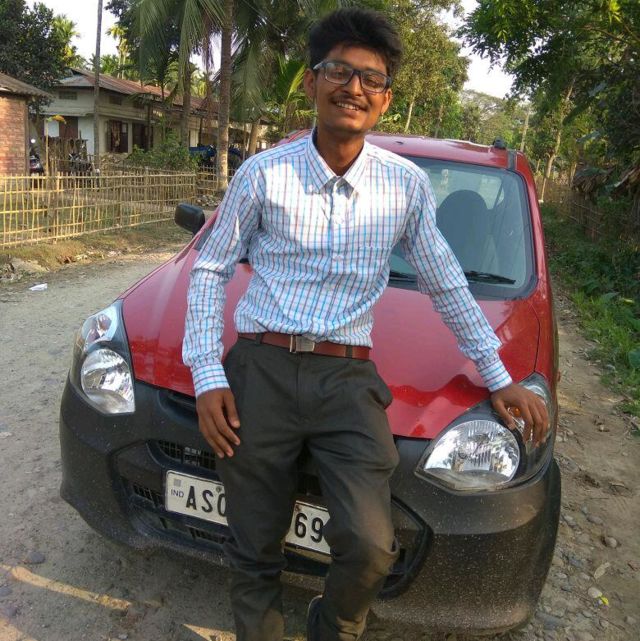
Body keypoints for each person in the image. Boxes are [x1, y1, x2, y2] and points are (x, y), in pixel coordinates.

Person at [183, 8, 549, 641]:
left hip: (347, 380)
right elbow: (209, 267)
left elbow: (445, 282)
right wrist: (208, 374)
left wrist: (498, 376)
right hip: (260, 369)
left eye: (371, 79)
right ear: (311, 82)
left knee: (370, 544)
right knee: (253, 539)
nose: (353, 87)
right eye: (339, 72)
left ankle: (332, 627)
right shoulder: (262, 173)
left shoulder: (404, 186)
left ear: (385, 99)